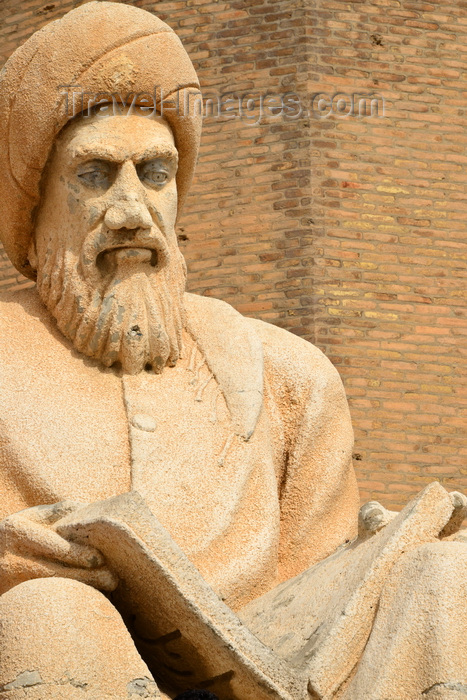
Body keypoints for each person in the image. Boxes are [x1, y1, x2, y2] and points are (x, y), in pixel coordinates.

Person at [0, 3, 465, 699]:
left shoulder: (287, 375)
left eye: (154, 174)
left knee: (446, 577)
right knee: (48, 613)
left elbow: (322, 597)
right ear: (37, 209)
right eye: (94, 176)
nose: (132, 209)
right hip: (72, 656)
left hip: (275, 673)